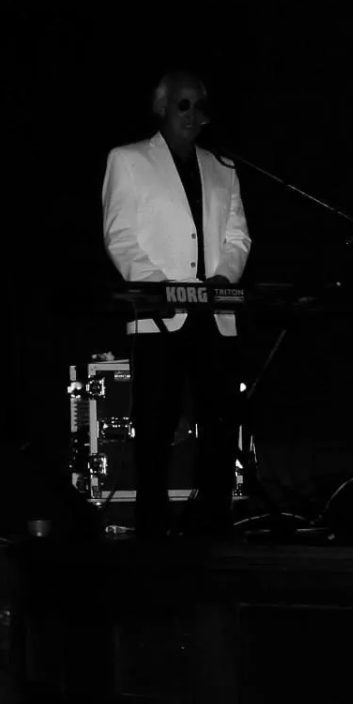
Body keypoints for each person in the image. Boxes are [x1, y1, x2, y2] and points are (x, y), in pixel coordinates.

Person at [101, 69, 251, 538]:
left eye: (198, 106)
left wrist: (223, 279)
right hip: (159, 315)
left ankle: (213, 519)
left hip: (213, 313)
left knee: (220, 422)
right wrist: (159, 288)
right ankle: (152, 523)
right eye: (182, 104)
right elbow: (120, 236)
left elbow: (238, 236)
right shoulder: (128, 160)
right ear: (162, 108)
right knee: (156, 423)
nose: (191, 114)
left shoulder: (223, 167)